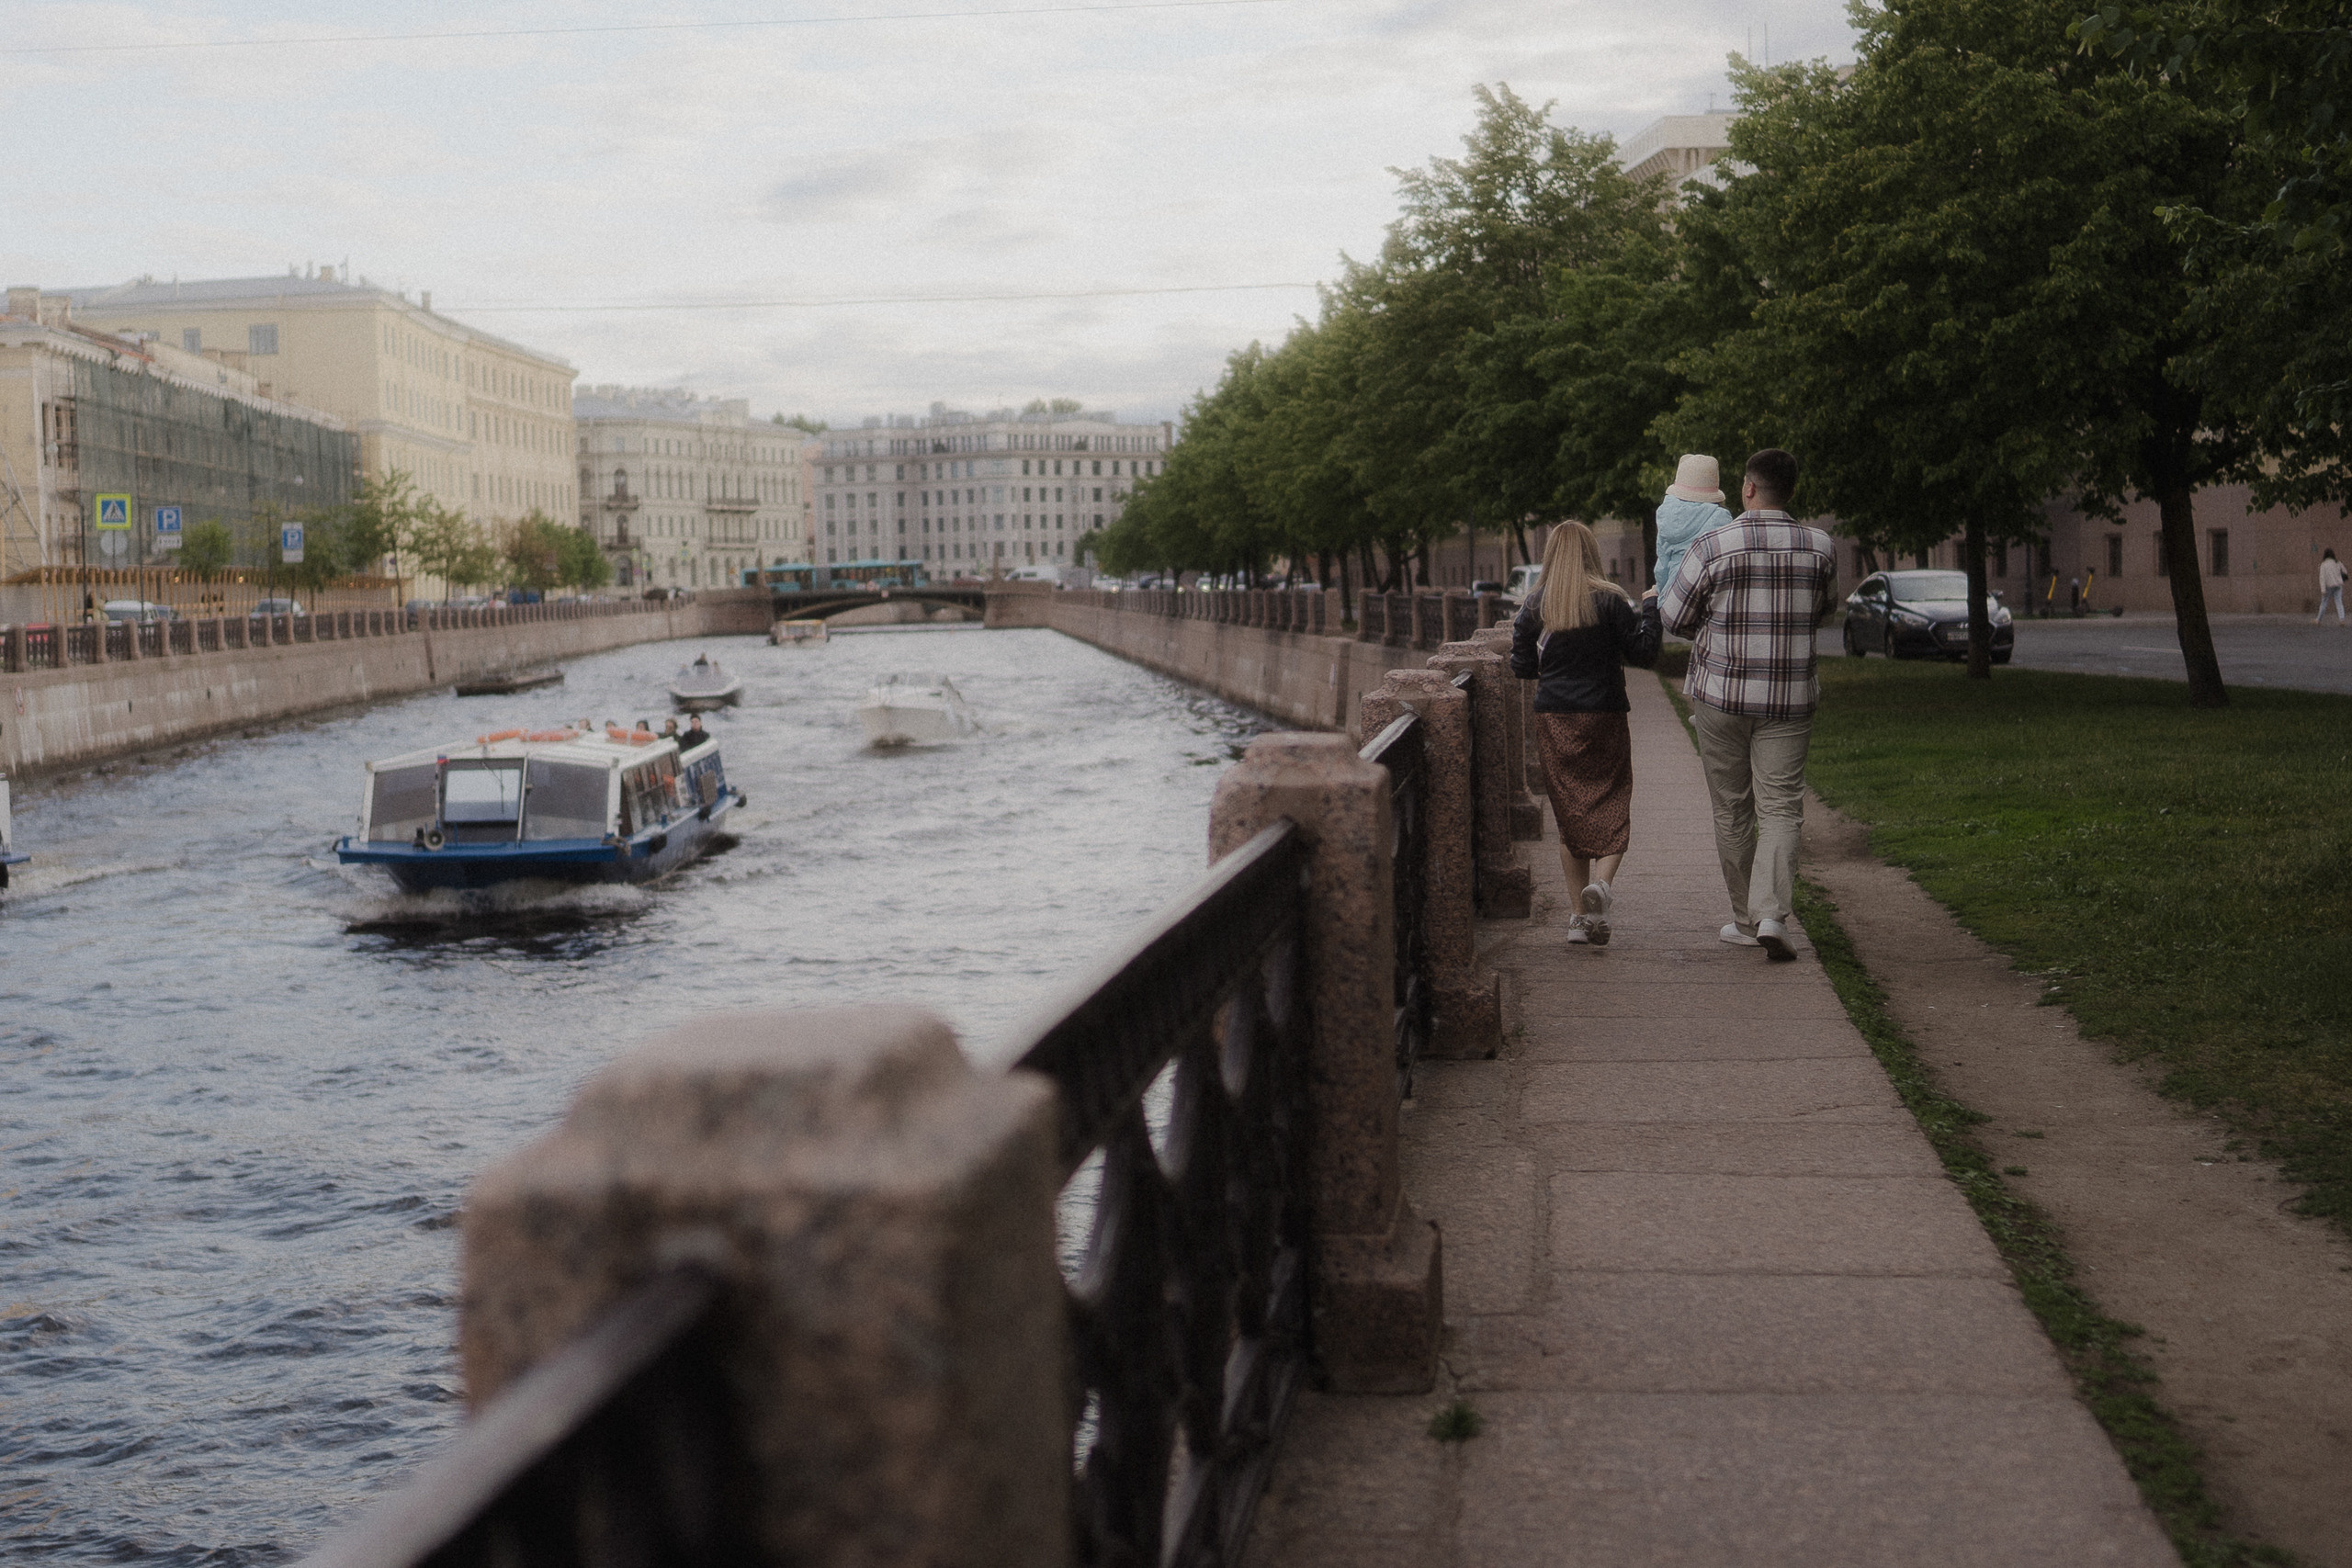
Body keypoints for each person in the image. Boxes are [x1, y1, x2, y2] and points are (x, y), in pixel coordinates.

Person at [1658, 448, 1839, 962]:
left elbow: (1673, 617)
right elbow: (1825, 610)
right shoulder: (1820, 547)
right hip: (1789, 697)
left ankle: (1745, 919)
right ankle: (1772, 916)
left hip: (1722, 695)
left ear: (1748, 488)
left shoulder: (1713, 544)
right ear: (1792, 491)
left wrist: (1714, 626)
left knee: (1732, 807)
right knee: (1781, 806)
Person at [1510, 520, 1662, 946]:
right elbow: (1644, 653)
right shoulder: (1612, 601)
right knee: (1613, 799)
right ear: (1593, 554)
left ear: (1551, 555)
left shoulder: (1535, 605)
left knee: (1570, 815)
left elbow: (1521, 667)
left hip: (1555, 718)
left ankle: (1579, 917)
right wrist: (1651, 606)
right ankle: (1604, 888)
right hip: (1605, 713)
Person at [1653, 454, 1736, 595]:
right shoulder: (1720, 518)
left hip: (1673, 594)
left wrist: (1661, 593)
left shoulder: (1665, 516)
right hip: (1708, 595)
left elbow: (1661, 567)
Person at [2319, 549, 2345, 624]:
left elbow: (2322, 577)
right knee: (2339, 602)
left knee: (2324, 602)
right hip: (2338, 585)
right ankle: (2342, 619)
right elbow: (2344, 571)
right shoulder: (2338, 562)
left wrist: (2323, 589)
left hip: (2329, 586)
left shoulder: (2323, 564)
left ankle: (2319, 619)